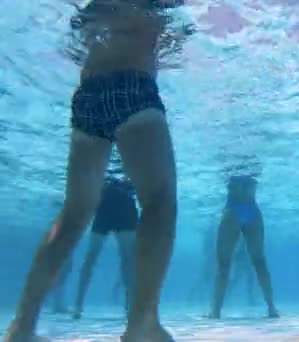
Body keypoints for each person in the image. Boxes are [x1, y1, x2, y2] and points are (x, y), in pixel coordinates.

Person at [4, 1, 189, 340]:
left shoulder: (95, 5)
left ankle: (22, 327)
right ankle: (141, 325)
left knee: (73, 216)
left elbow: (82, 30)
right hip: (133, 87)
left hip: (88, 96)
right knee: (159, 201)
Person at [209, 172, 279, 319]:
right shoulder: (252, 164)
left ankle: (215, 311)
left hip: (236, 210)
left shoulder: (229, 162)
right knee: (256, 262)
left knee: (227, 264)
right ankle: (271, 308)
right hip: (247, 210)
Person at [72, 176, 138, 320]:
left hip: (116, 205)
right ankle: (78, 305)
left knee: (125, 260)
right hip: (113, 205)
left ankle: (129, 305)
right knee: (124, 259)